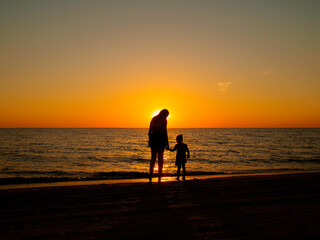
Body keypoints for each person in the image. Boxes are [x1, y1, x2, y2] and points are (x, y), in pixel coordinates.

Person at [148, 109, 169, 182]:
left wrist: (150, 140)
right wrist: (167, 142)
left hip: (153, 139)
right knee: (160, 159)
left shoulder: (153, 118)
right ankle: (159, 176)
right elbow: (164, 131)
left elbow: (150, 131)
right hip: (160, 139)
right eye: (167, 115)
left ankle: (150, 175)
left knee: (153, 158)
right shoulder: (164, 120)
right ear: (164, 114)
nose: (167, 117)